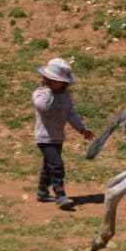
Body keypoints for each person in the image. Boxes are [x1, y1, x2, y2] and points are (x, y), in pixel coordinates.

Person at [33, 58, 96, 210]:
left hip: (57, 137)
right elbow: (42, 106)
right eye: (53, 80)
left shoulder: (65, 96)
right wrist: (48, 90)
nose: (57, 83)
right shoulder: (40, 93)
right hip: (44, 137)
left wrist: (82, 129)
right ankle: (60, 195)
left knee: (49, 166)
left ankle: (42, 192)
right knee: (57, 165)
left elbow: (71, 114)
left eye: (59, 81)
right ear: (47, 79)